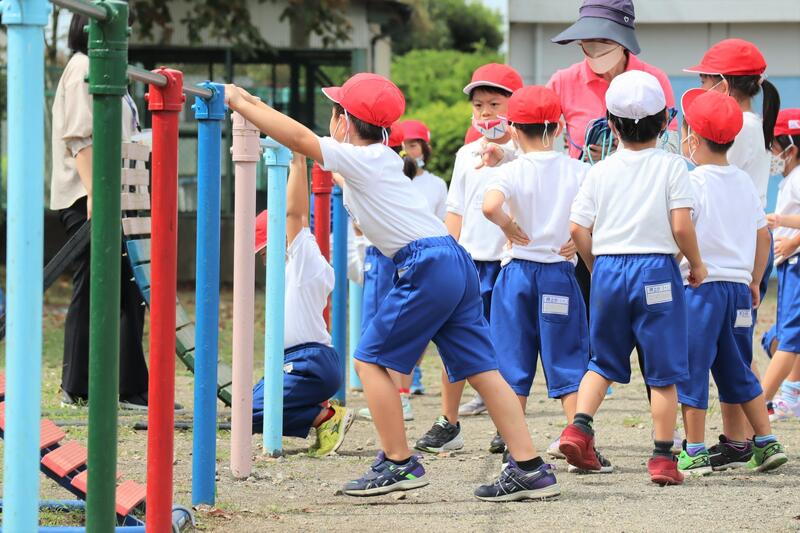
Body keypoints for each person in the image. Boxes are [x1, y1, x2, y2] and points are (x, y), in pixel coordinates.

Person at [225, 72, 560, 501]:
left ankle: (399, 462)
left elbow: (301, 138)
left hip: (426, 263)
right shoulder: (375, 160)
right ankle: (529, 467)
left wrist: (240, 101)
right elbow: (327, 165)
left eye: (335, 112)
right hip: (451, 259)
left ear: (345, 121)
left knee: (368, 360)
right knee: (482, 369)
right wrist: (252, 102)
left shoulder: (361, 157)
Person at [559, 71, 706, 485]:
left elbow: (577, 227)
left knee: (601, 362)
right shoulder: (673, 166)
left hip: (608, 268)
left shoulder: (599, 170)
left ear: (611, 125)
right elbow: (681, 226)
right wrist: (696, 264)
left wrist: (595, 266)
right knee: (663, 372)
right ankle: (662, 459)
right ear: (664, 124)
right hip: (656, 271)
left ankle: (578, 428)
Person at [481, 86, 607, 472]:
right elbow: (597, 214)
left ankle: (514, 450)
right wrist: (577, 236)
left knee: (512, 365)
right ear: (559, 127)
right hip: (558, 275)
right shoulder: (579, 170)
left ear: (513, 129)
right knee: (568, 362)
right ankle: (579, 443)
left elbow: (490, 206)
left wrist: (508, 226)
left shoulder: (510, 170)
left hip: (515, 276)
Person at [675, 88, 787, 476]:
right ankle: (766, 440)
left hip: (701, 291)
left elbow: (682, 228)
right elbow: (762, 236)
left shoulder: (692, 182)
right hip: (739, 291)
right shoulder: (743, 182)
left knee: (693, 366)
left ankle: (694, 449)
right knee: (738, 366)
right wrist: (755, 281)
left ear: (693, 138)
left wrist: (685, 263)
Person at [414, 63, 520, 456]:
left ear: (514, 107)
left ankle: (506, 424)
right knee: (453, 340)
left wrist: (507, 151)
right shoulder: (465, 154)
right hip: (467, 262)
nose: (486, 112)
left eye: (495, 104)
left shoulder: (526, 152)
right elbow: (455, 209)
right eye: (479, 106)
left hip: (509, 262)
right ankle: (449, 421)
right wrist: (448, 254)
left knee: (506, 346)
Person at [50, 12, 149, 408]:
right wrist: (96, 193)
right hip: (88, 194)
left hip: (114, 193)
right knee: (93, 284)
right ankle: (76, 386)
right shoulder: (82, 67)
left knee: (129, 286)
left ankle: (131, 386)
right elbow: (79, 138)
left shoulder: (105, 68)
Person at [251, 154, 353, 457]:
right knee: (247, 405)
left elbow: (294, 214)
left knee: (251, 410)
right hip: (297, 361)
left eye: (265, 252)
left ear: (282, 241)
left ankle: (326, 417)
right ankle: (320, 414)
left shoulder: (302, 260)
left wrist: (296, 161)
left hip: (310, 363)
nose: (264, 260)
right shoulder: (289, 271)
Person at [761, 110, 800, 422]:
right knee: (783, 336)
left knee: (787, 338)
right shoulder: (791, 179)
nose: (772, 153)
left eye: (775, 146)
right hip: (789, 264)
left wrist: (790, 238)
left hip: (796, 262)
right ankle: (791, 393)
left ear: (791, 147)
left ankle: (762, 402)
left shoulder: (798, 177)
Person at [401, 120, 448, 221]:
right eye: (402, 147)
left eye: (412, 146)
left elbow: (443, 221)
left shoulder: (438, 184)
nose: (406, 152)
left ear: (426, 150)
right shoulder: (391, 180)